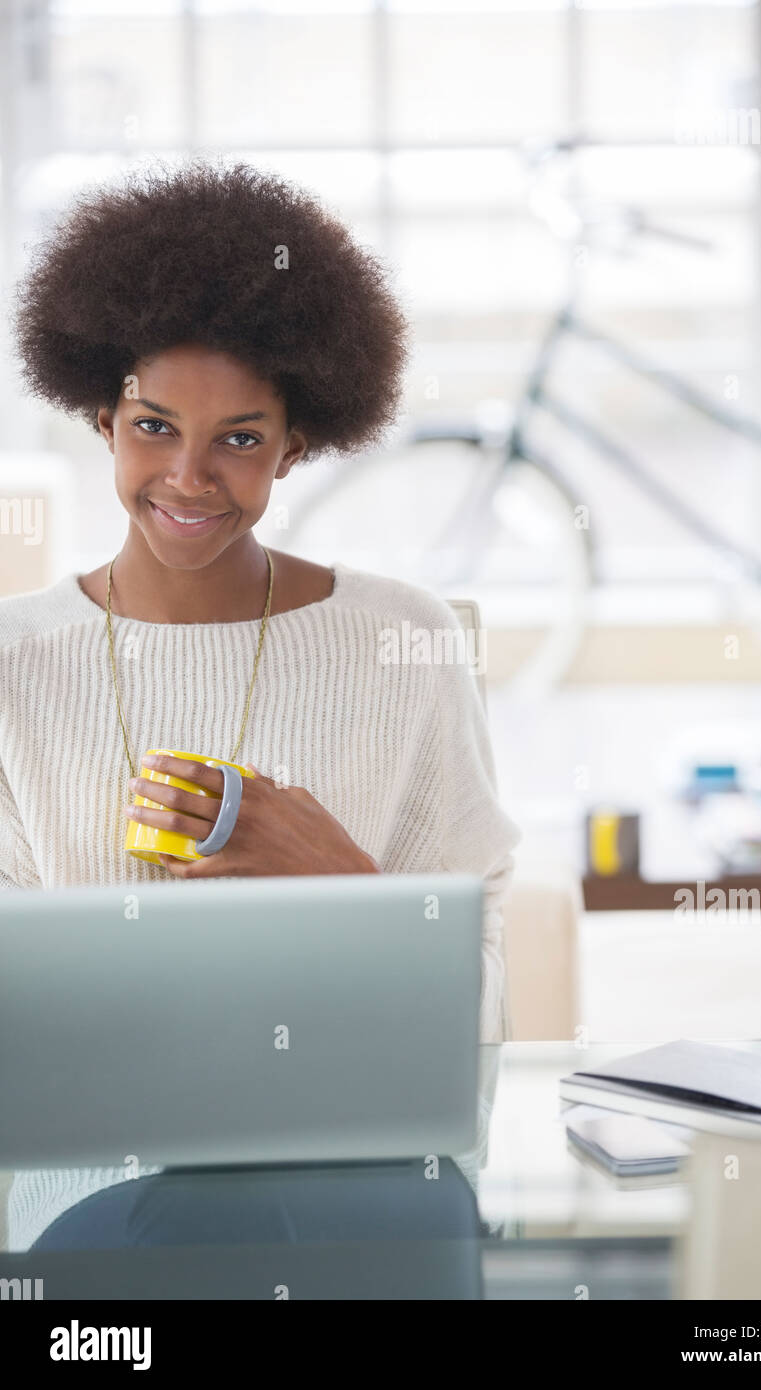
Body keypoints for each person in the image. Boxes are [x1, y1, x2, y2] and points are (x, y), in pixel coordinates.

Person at [1, 161, 520, 1249]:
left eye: (239, 437)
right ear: (100, 414)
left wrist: (347, 883)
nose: (189, 477)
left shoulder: (403, 641)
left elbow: (480, 1001)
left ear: (295, 443)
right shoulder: (16, 662)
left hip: (357, 1167)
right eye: (153, 426)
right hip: (99, 1191)